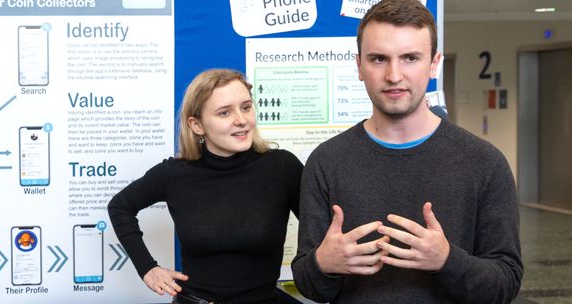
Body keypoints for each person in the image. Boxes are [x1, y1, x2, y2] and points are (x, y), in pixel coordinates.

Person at [290, 0, 523, 303]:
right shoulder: (326, 161)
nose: (394, 75)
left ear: (434, 63)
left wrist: (447, 260)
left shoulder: (485, 162)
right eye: (378, 59)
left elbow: (505, 285)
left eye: (410, 58)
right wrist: (324, 265)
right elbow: (311, 286)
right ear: (359, 65)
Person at [108, 69, 303, 303]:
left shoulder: (282, 167)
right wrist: (147, 268)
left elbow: (322, 228)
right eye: (224, 113)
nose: (241, 120)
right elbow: (120, 206)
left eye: (246, 107)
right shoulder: (175, 174)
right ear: (197, 125)